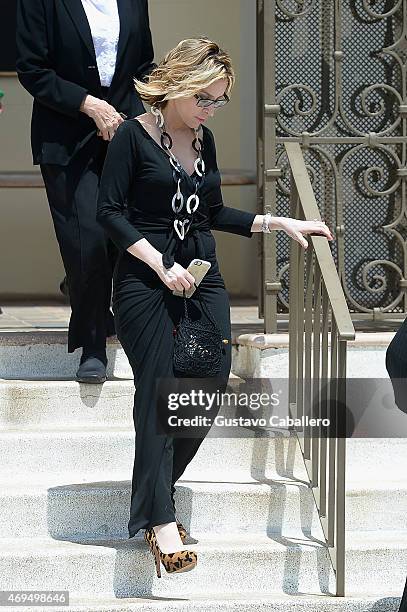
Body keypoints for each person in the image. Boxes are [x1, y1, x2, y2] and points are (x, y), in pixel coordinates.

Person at [96, 37, 334, 577]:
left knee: (205, 383)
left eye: (219, 100)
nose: (210, 109)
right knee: (160, 391)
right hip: (144, 281)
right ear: (178, 85)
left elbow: (214, 212)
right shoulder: (133, 137)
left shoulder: (203, 141)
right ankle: (161, 523)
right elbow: (108, 213)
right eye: (205, 97)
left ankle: (154, 495)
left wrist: (279, 223)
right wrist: (160, 264)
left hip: (201, 279)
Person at [15, 0, 156, 382]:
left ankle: (85, 289)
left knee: (118, 236)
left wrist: (163, 106)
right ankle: (92, 345)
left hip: (124, 131)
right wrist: (89, 104)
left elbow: (143, 63)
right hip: (65, 138)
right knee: (87, 238)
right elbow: (32, 70)